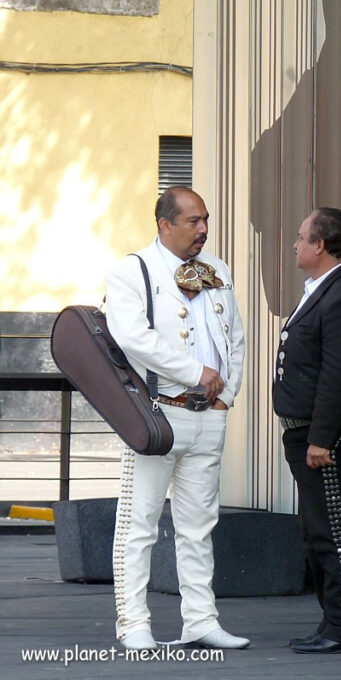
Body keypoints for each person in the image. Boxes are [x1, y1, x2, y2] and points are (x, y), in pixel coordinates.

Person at [106, 187, 248, 650]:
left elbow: (236, 339)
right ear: (164, 224)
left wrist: (226, 394)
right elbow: (131, 337)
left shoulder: (218, 270)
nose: (203, 229)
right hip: (156, 414)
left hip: (208, 416)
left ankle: (201, 621)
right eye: (193, 221)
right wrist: (194, 372)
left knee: (199, 525)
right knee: (139, 523)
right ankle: (133, 624)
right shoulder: (133, 270)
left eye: (205, 219)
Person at [273, 207, 341, 654]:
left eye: (301, 237)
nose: (295, 244)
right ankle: (334, 621)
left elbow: (340, 374)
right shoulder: (323, 289)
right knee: (318, 532)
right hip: (310, 433)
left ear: (321, 245)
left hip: (327, 437)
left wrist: (320, 438)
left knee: (331, 531)